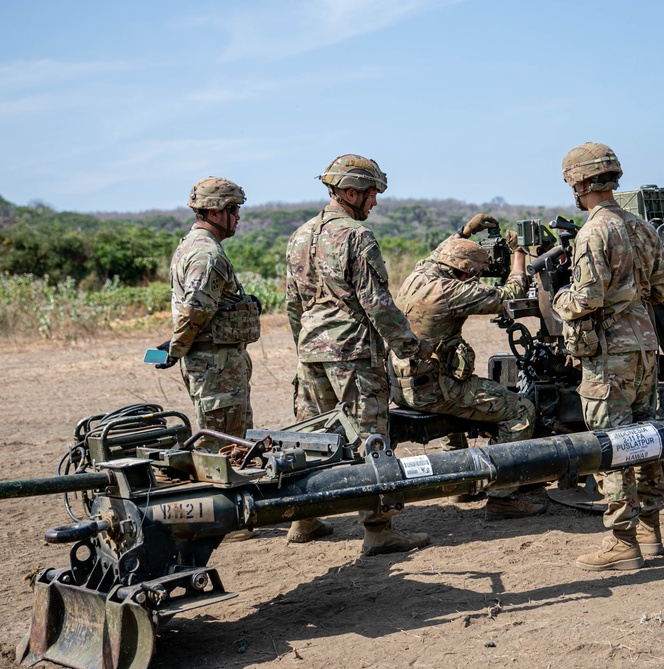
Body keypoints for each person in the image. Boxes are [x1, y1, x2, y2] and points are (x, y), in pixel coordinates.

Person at [285, 154, 434, 553]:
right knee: (372, 437)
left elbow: (293, 304)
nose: (374, 203)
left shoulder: (300, 236)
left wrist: (306, 345)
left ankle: (303, 517)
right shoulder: (356, 237)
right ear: (349, 192)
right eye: (370, 195)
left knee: (311, 437)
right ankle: (378, 530)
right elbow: (377, 303)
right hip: (353, 352)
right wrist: (408, 347)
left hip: (311, 352)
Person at [551, 142, 664, 571]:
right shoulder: (641, 227)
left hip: (608, 357)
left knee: (612, 447)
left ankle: (623, 543)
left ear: (578, 183)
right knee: (645, 439)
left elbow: (586, 297)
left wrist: (557, 300)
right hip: (643, 348)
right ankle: (650, 532)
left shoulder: (593, 232)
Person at [390, 217, 542, 520]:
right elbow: (509, 295)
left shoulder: (419, 274)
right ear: (464, 272)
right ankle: (503, 497)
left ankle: (459, 484)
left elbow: (439, 252)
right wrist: (519, 253)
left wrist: (466, 231)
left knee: (457, 390)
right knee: (520, 410)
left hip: (402, 386)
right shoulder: (452, 291)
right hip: (435, 390)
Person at [156, 177, 258, 452]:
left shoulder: (192, 245)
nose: (238, 217)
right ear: (214, 212)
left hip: (215, 362)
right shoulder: (207, 253)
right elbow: (197, 309)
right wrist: (177, 347)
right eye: (233, 210)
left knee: (229, 439)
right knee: (225, 446)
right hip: (216, 365)